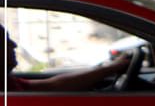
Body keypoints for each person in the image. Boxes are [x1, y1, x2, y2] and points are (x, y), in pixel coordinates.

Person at [0, 27, 131, 91]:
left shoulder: (7, 83)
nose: (13, 44)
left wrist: (110, 68)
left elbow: (53, 85)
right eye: (5, 41)